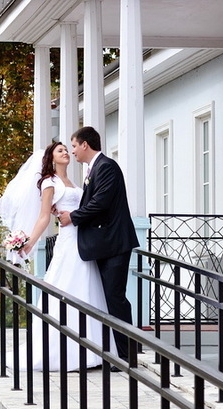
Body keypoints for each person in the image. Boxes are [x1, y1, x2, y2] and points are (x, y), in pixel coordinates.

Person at [0, 141, 110, 371]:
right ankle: (67, 352)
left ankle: (92, 351)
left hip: (83, 239)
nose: (66, 152)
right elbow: (44, 217)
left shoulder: (73, 182)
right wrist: (29, 243)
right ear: (51, 157)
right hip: (68, 241)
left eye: (67, 149)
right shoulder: (49, 182)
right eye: (60, 150)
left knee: (87, 288)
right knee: (67, 288)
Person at [57, 127, 140, 366]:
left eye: (74, 146)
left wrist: (73, 217)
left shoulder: (106, 167)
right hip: (104, 243)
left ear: (85, 144)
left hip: (114, 242)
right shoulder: (94, 169)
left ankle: (127, 355)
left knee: (115, 297)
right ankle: (119, 350)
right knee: (108, 298)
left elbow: (100, 203)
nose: (73, 151)